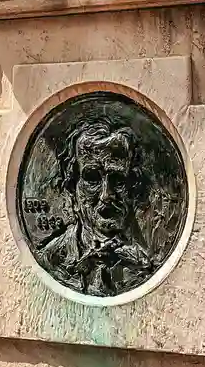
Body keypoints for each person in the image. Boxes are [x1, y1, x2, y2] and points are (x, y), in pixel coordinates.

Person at [39, 118, 158, 296]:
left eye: (118, 180)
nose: (106, 196)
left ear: (133, 186)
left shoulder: (146, 263)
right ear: (72, 187)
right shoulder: (50, 259)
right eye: (92, 178)